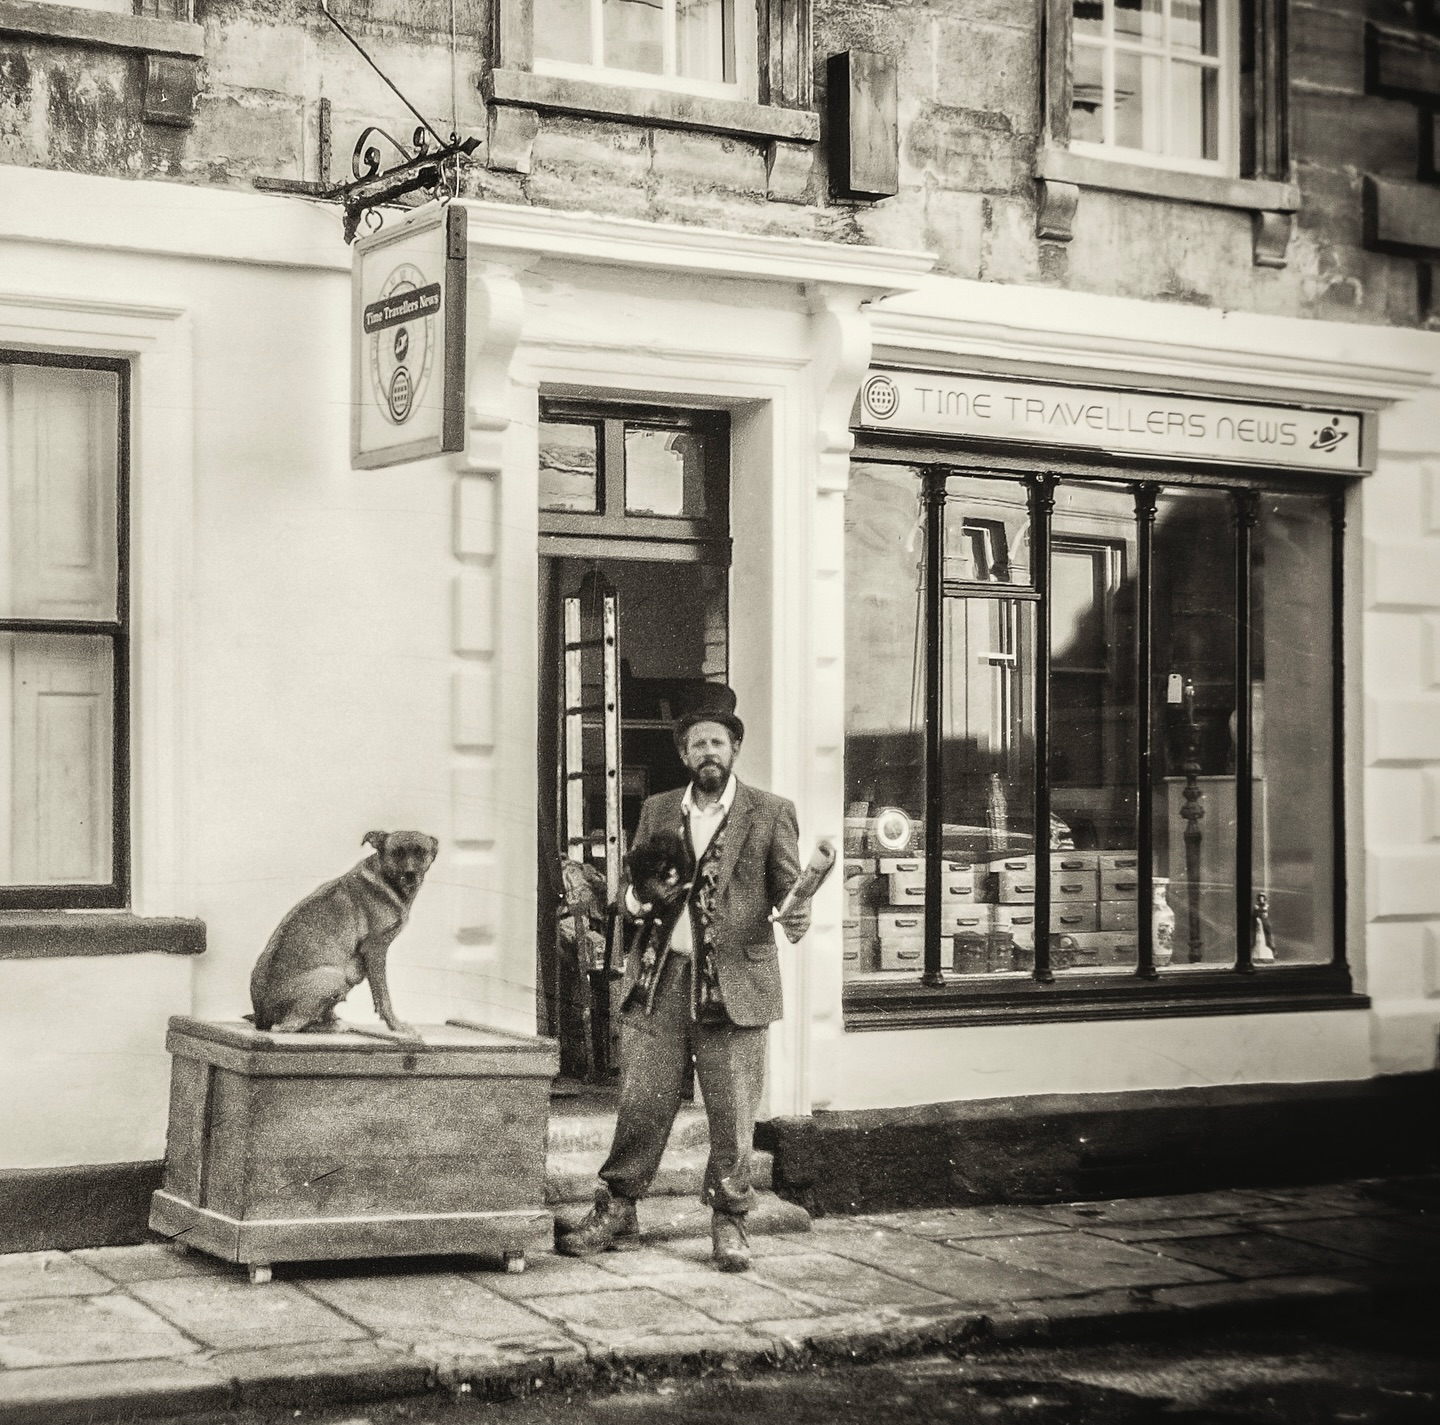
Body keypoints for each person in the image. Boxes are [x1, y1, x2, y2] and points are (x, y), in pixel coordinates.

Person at [556, 683, 810, 1272]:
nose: (708, 753)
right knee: (642, 1100)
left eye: (718, 742)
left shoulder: (771, 812)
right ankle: (618, 1210)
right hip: (660, 979)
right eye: (697, 745)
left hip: (735, 986)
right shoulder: (658, 809)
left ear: (736, 747)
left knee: (731, 1110)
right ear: (684, 756)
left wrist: (798, 913)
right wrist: (637, 903)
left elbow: (790, 892)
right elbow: (631, 890)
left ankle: (729, 1222)